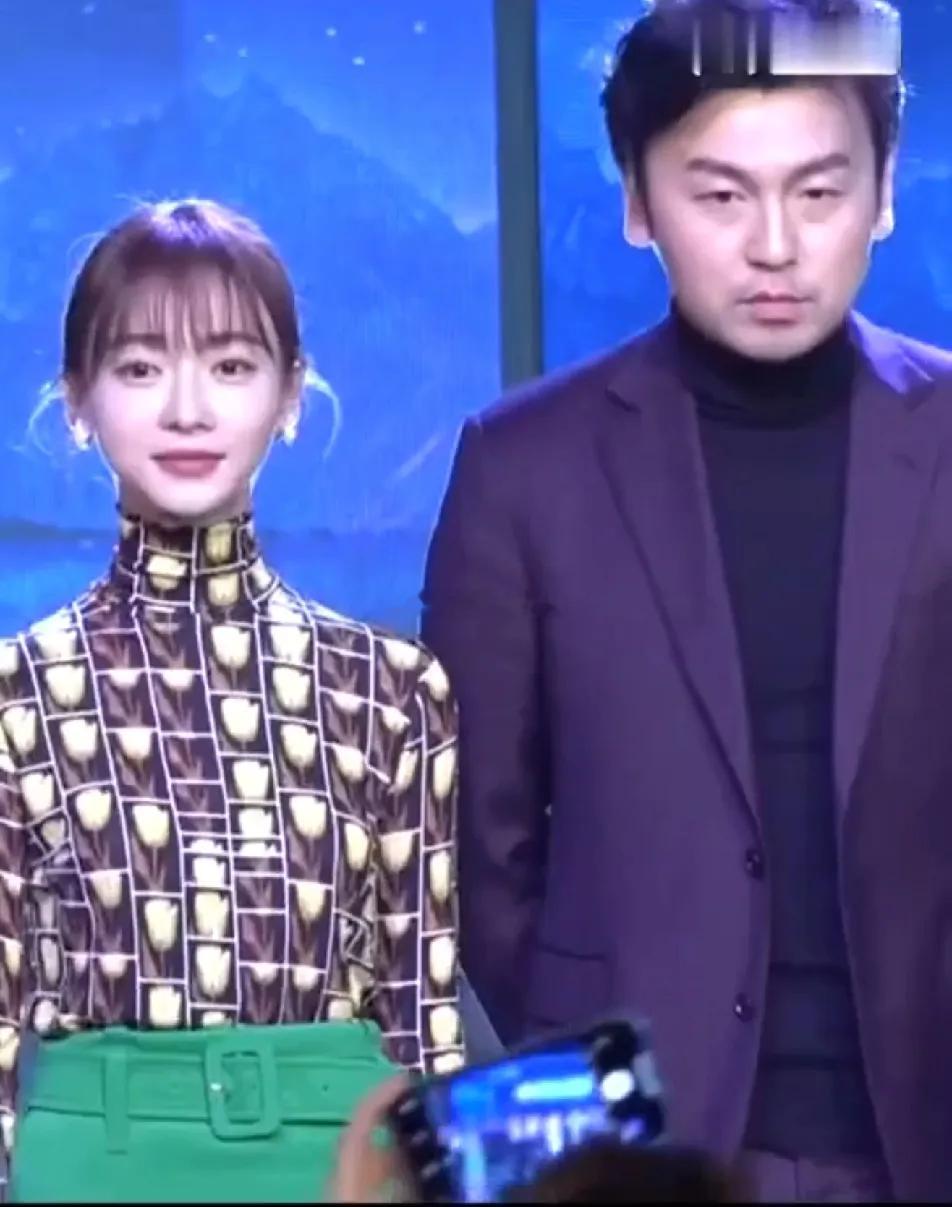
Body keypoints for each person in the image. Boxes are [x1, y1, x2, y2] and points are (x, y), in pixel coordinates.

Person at [421, 0, 952, 1200]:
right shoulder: (523, 467)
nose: (774, 244)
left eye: (818, 192)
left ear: (882, 194)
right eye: (720, 195)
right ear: (636, 201)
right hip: (627, 1146)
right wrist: (586, 1080)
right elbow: (473, 847)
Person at [0, 198, 463, 1202]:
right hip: (99, 1163)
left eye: (230, 365)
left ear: (291, 393)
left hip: (342, 1161)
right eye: (139, 368)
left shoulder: (392, 692)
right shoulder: (17, 695)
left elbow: (424, 1026)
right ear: (76, 398)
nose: (187, 409)